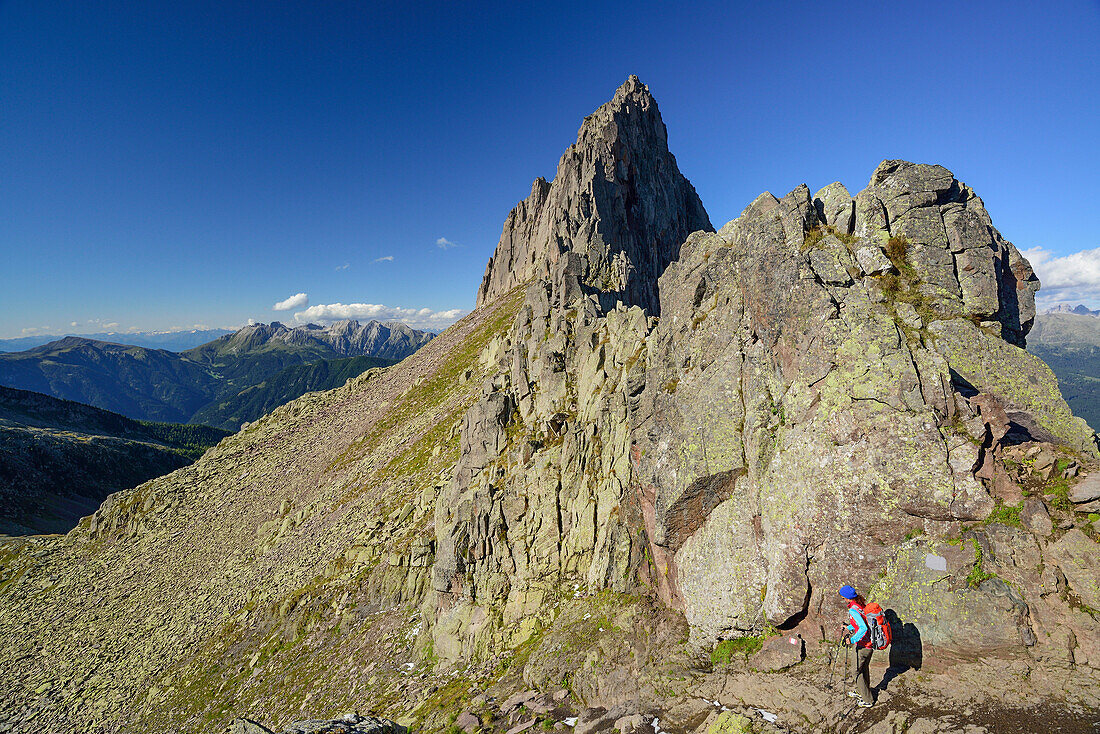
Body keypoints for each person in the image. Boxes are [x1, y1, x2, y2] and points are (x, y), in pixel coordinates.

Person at [840, 585, 874, 707]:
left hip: (863, 645)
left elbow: (863, 628)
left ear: (847, 598)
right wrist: (848, 627)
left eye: (843, 598)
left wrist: (852, 639)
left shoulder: (853, 610)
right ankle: (862, 691)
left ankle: (867, 700)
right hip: (869, 644)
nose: (843, 600)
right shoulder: (860, 605)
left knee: (855, 672)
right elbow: (861, 623)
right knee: (863, 669)